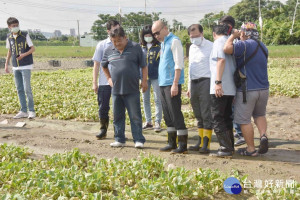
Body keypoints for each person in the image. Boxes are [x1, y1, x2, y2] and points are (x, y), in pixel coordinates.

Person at [223, 22, 269, 156]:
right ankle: (263, 136)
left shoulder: (243, 45)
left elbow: (227, 49)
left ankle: (250, 149)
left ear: (243, 33)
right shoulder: (263, 46)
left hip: (247, 90)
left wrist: (232, 37)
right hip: (264, 88)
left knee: (244, 120)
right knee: (260, 114)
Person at [101, 27, 148, 149]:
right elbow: (104, 66)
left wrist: (144, 81)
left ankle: (138, 139)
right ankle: (119, 139)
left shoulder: (135, 47)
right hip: (116, 90)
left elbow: (143, 66)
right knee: (117, 116)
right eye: (114, 41)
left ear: (125, 37)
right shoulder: (108, 50)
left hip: (132, 89)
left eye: (119, 40)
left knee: (135, 116)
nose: (116, 44)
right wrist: (109, 79)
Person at [152, 20, 188, 154]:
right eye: (154, 34)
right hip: (163, 83)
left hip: (171, 83)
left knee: (175, 113)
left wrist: (175, 84)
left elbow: (179, 65)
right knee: (167, 114)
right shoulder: (163, 44)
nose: (156, 36)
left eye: (157, 32)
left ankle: (182, 144)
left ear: (165, 28)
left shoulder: (174, 41)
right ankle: (171, 142)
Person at [210, 24, 236, 157]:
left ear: (214, 33)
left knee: (217, 117)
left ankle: (225, 148)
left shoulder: (218, 42)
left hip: (220, 87)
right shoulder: (231, 42)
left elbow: (221, 60)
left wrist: (218, 82)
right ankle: (230, 146)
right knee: (226, 117)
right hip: (231, 87)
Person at [219, 15, 246, 147]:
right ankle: (237, 132)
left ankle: (240, 134)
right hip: (228, 78)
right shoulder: (226, 39)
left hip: (236, 78)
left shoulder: (235, 40)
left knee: (236, 107)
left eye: (224, 25)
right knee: (231, 108)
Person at [186, 24, 213, 154]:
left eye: (196, 36)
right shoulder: (191, 48)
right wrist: (189, 86)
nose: (194, 39)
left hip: (206, 81)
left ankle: (206, 144)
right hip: (194, 82)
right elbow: (190, 68)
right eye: (192, 37)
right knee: (197, 113)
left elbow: (214, 67)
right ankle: (200, 141)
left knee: (206, 112)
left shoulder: (210, 46)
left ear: (202, 34)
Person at [92, 20, 120, 140]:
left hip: (119, 81)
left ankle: (118, 132)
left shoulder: (122, 43)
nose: (117, 31)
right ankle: (103, 129)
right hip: (104, 82)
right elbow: (96, 64)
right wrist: (94, 82)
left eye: (119, 28)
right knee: (103, 107)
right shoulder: (102, 45)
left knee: (118, 107)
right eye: (115, 29)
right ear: (108, 31)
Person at [5, 17, 36, 119]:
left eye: (17, 25)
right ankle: (23, 111)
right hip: (15, 66)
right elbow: (9, 51)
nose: (16, 27)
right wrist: (6, 64)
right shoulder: (9, 37)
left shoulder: (25, 35)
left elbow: (32, 49)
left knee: (27, 88)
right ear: (9, 27)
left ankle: (31, 110)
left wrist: (24, 55)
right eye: (13, 26)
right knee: (19, 89)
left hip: (26, 65)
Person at [140, 25, 162, 132]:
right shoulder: (141, 48)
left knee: (158, 99)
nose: (148, 37)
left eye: (149, 35)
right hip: (144, 77)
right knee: (145, 99)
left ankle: (157, 121)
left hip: (156, 76)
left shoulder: (159, 46)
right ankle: (148, 121)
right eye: (146, 35)